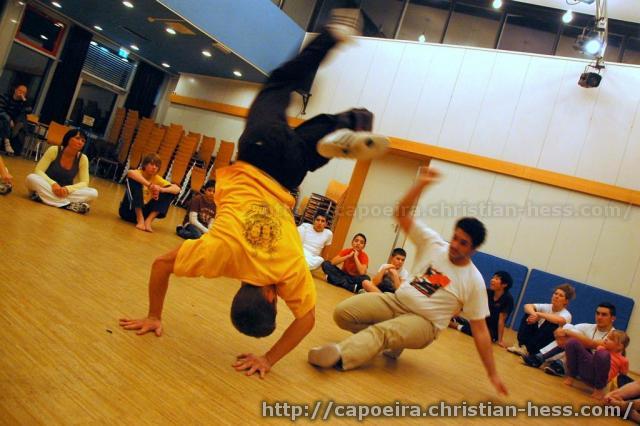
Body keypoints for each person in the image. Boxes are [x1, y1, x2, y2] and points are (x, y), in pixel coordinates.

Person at [119, 11, 390, 379]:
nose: (278, 299)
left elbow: (306, 321)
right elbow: (160, 265)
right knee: (278, 85)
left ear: (268, 297)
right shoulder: (219, 257)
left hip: (288, 175)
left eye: (274, 303)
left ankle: (354, 123)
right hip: (258, 152)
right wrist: (154, 315)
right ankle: (331, 41)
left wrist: (268, 359)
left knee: (308, 147)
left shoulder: (287, 273)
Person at [308, 167, 508, 396]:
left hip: (424, 323)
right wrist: (420, 184)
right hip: (396, 302)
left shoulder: (473, 280)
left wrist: (492, 373)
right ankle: (391, 345)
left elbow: (481, 331)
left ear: (473, 249)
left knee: (383, 332)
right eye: (455, 238)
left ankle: (340, 356)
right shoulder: (434, 244)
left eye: (463, 243)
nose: (455, 245)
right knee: (343, 313)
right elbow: (402, 214)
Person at [522, 302, 617, 377]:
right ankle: (545, 360)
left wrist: (569, 334)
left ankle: (551, 362)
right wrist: (562, 333)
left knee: (573, 339)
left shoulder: (614, 335)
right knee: (569, 327)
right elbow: (559, 331)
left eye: (604, 315)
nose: (599, 317)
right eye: (597, 313)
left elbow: (592, 344)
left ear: (612, 318)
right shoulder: (588, 326)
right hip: (578, 364)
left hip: (594, 370)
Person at [25, 128, 98, 213]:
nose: (80, 142)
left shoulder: (83, 158)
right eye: (77, 138)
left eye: (83, 141)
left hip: (64, 192)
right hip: (48, 186)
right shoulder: (54, 150)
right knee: (31, 178)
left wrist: (68, 189)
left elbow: (85, 182)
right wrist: (53, 184)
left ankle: (43, 198)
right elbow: (38, 171)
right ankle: (67, 205)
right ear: (68, 139)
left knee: (93, 193)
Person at [506, 283, 574, 356]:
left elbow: (559, 320)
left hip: (545, 343)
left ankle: (529, 350)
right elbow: (527, 306)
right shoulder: (547, 306)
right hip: (535, 338)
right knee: (529, 314)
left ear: (566, 301)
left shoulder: (567, 314)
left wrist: (539, 314)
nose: (556, 296)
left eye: (561, 295)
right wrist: (534, 314)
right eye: (555, 293)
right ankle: (521, 345)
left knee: (551, 322)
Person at [449, 270, 514, 347]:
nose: (492, 280)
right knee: (474, 326)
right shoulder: (488, 292)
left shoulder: (508, 299)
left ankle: (454, 325)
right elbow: (469, 301)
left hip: (492, 329)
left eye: (496, 279)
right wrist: (455, 313)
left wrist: (500, 340)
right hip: (480, 323)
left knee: (485, 336)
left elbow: (501, 320)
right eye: (493, 278)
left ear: (504, 284)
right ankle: (456, 319)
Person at [119, 153, 181, 232]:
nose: (154, 167)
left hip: (145, 212)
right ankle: (140, 219)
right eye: (152, 164)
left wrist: (161, 189)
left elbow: (177, 189)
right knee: (134, 181)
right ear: (144, 165)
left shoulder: (157, 178)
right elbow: (130, 173)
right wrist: (149, 185)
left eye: (157, 166)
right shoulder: (138, 173)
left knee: (168, 191)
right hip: (128, 211)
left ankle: (148, 221)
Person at [564, 330, 630, 400]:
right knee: (572, 342)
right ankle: (571, 377)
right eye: (607, 337)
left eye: (611, 339)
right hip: (586, 371)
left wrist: (617, 393)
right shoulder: (601, 348)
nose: (606, 339)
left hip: (596, 380)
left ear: (619, 346)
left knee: (603, 355)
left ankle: (598, 390)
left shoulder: (623, 360)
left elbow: (623, 378)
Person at [0, 84, 29, 156]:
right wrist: (9, 119)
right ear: (15, 90)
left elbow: (29, 111)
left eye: (24, 92)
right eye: (20, 90)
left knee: (22, 123)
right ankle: (7, 143)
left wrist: (24, 100)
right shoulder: (5, 97)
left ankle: (16, 149)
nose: (21, 93)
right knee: (4, 121)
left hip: (14, 123)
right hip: (3, 119)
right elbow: (1, 110)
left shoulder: (22, 103)